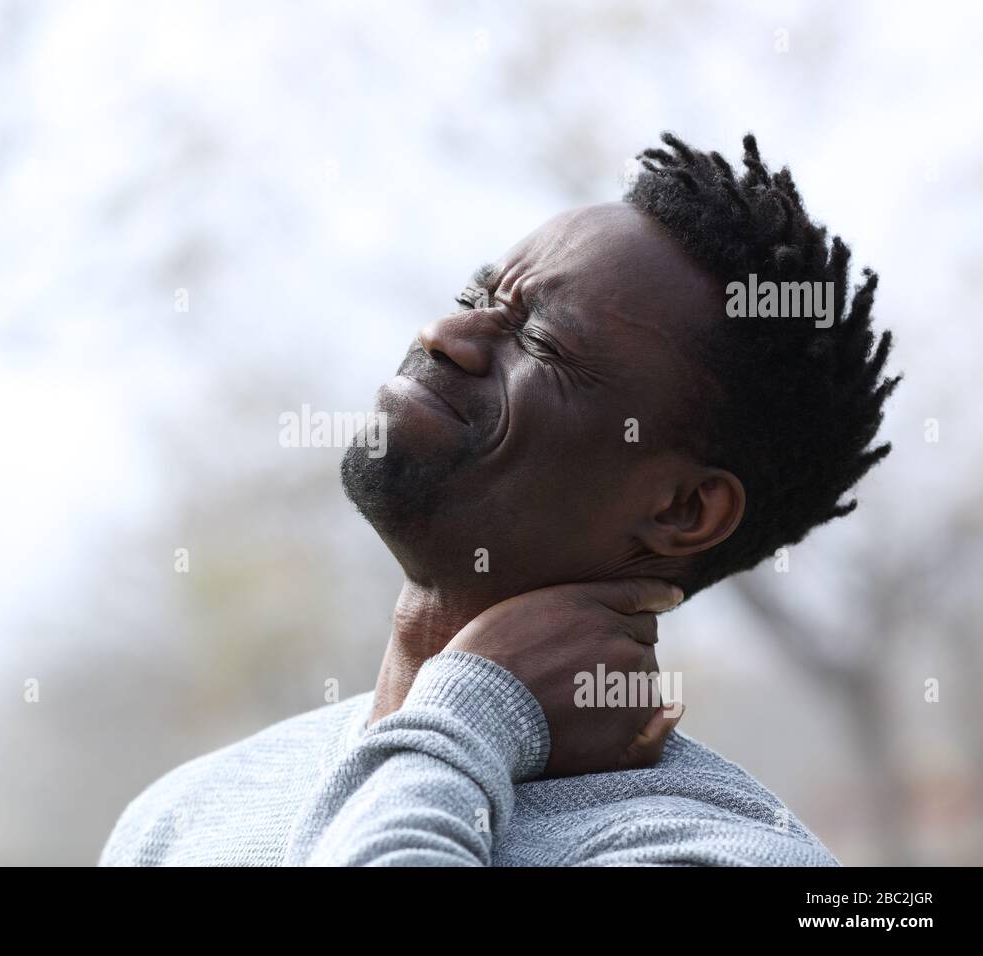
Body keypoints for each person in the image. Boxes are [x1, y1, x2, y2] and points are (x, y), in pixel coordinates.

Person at [100, 133, 899, 866]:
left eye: (542, 344)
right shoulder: (184, 816)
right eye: (479, 294)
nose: (445, 333)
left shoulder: (716, 854)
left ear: (681, 510)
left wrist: (473, 712)